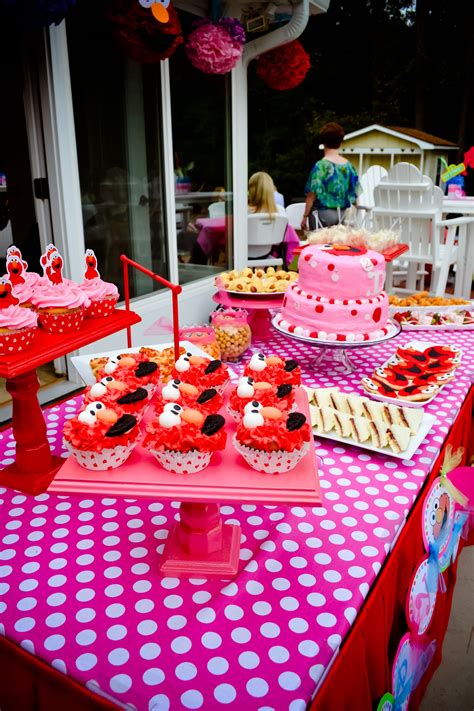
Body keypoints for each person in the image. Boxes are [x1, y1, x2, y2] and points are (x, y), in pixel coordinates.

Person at [300, 122, 361, 231]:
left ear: (323, 141)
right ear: (341, 141)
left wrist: (305, 216)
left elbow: (311, 195)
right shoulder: (348, 166)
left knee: (320, 246)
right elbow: (355, 195)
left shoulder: (320, 166)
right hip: (342, 214)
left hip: (322, 215)